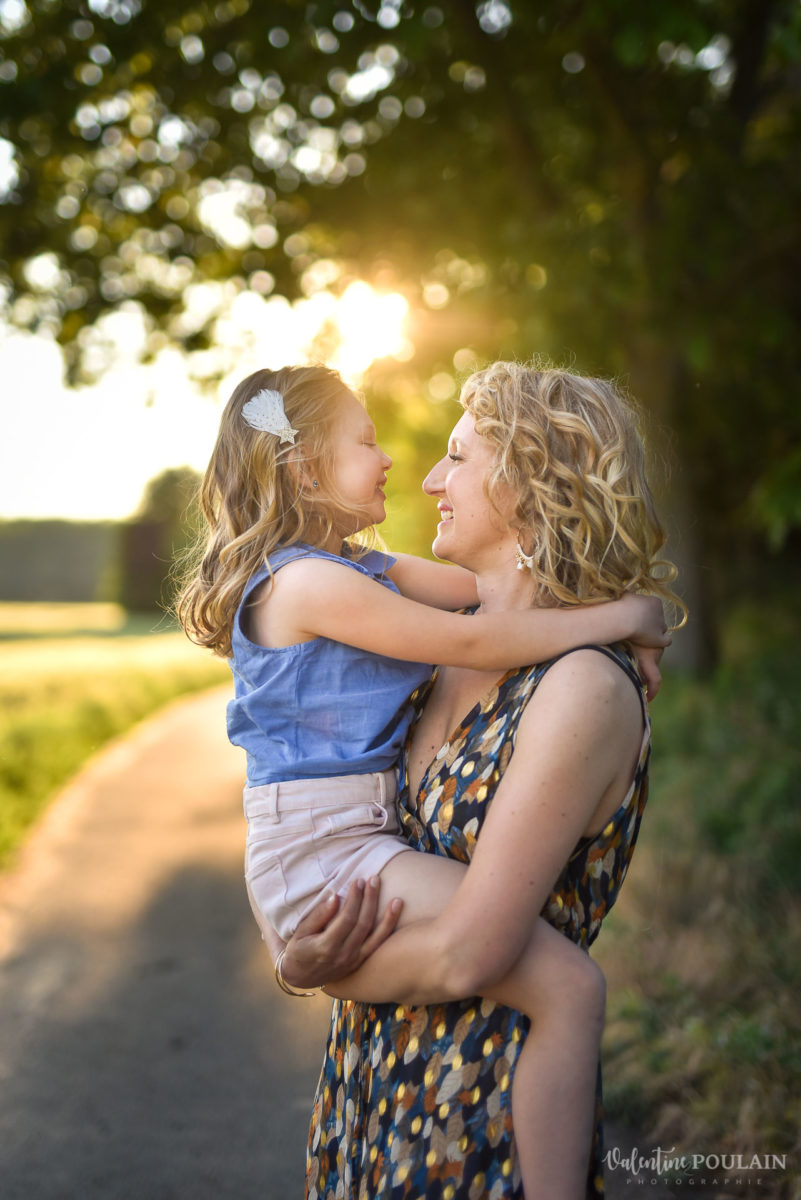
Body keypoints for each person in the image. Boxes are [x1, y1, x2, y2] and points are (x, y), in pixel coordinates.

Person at [176, 364, 672, 1200]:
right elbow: (483, 629)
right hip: (372, 1092)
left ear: (529, 478)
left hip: (472, 1119)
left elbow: (467, 953)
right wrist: (300, 961)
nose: (424, 476)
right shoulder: (427, 647)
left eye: (456, 457)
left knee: (566, 989)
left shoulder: (576, 684)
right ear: (304, 470)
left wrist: (311, 970)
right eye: (369, 443)